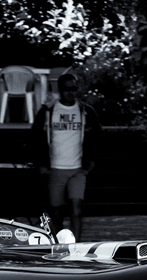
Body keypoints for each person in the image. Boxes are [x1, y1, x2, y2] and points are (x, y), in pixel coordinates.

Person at [31, 73, 102, 241]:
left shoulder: (85, 111)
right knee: (56, 211)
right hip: (55, 168)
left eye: (74, 88)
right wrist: (40, 163)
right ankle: (58, 244)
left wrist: (92, 159)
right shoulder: (48, 111)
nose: (71, 92)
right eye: (67, 89)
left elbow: (98, 136)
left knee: (76, 209)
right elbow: (35, 137)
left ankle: (76, 245)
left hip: (77, 168)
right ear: (60, 90)